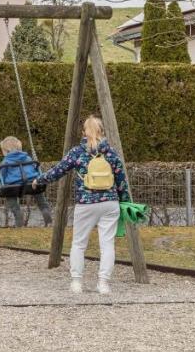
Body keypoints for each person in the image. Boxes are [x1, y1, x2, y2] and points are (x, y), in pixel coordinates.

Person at [34, 116, 130, 295]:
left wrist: (39, 180)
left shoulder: (77, 152)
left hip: (86, 203)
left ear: (84, 132)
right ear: (102, 131)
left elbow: (58, 171)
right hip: (110, 203)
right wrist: (124, 201)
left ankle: (77, 282)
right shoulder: (112, 153)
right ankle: (103, 284)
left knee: (79, 244)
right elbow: (121, 180)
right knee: (107, 244)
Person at [0, 137, 52, 227]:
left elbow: (2, 175)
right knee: (40, 198)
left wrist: (4, 182)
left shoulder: (5, 161)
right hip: (32, 183)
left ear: (6, 151)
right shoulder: (28, 158)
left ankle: (18, 216)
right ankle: (45, 212)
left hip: (13, 186)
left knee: (10, 197)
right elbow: (35, 169)